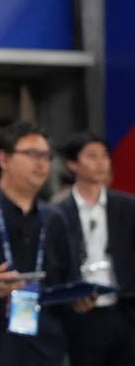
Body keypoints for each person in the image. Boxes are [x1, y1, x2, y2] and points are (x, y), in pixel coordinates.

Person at [0, 121, 80, 366]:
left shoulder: (54, 218)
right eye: (32, 154)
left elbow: (67, 278)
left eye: (46, 156)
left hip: (46, 347)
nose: (41, 163)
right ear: (3, 159)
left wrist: (79, 296)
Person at [56, 132, 135, 366]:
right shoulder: (58, 212)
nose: (100, 163)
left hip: (123, 309)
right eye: (91, 156)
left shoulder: (127, 206)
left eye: (104, 156)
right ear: (72, 164)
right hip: (80, 313)